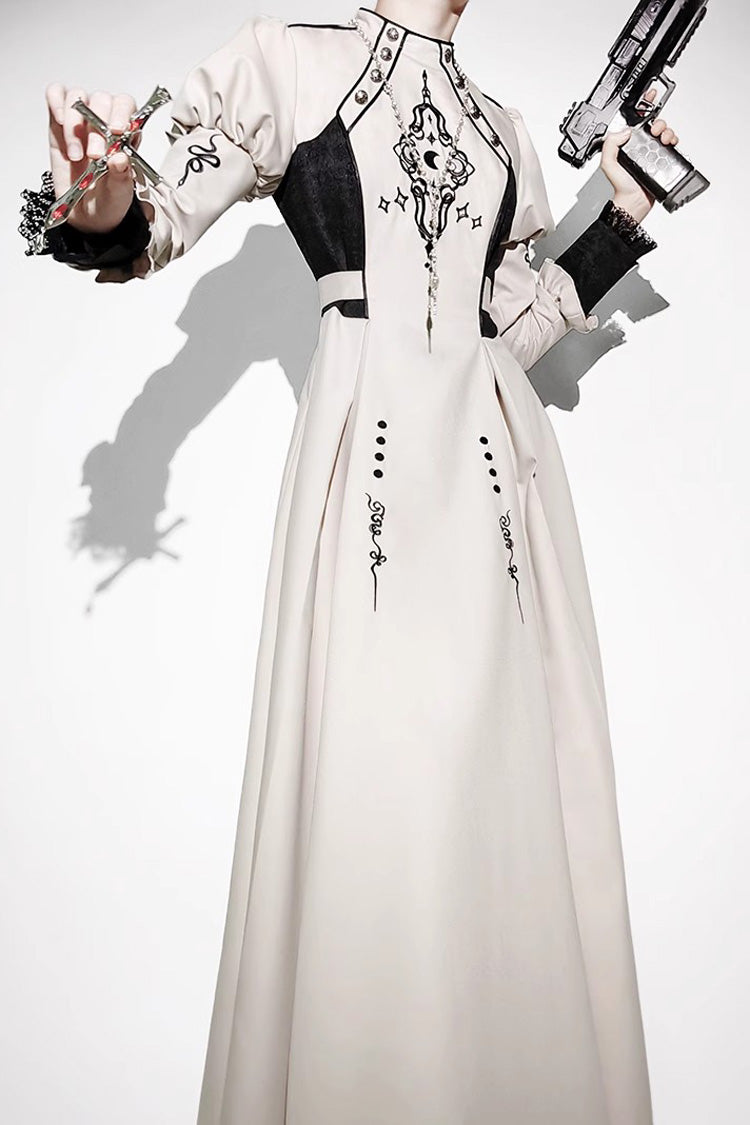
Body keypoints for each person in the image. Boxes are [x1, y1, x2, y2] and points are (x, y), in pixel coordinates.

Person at [21, 2, 683, 1122]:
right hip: (374, 481)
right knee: (378, 798)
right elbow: (154, 213)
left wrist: (621, 215)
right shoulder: (290, 61)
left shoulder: (504, 128)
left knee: (501, 813)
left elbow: (508, 331)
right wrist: (100, 200)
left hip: (500, 503)